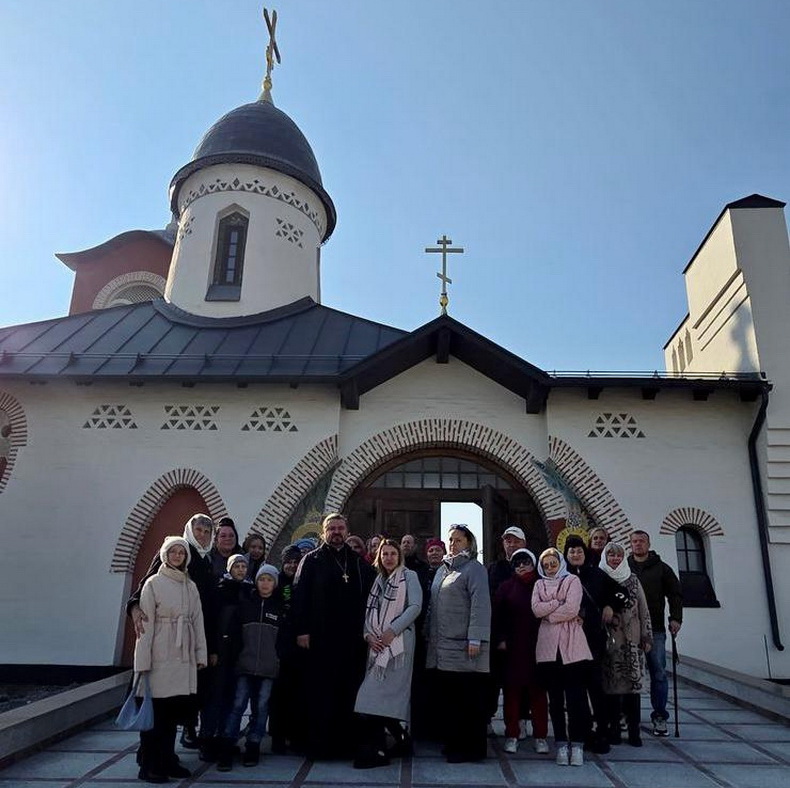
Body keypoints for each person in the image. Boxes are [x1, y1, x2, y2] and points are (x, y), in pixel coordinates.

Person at [127, 513, 218, 754]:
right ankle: (149, 760)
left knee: (178, 704)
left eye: (206, 532)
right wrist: (134, 607)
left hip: (188, 645)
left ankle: (168, 757)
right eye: (198, 530)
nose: (202, 535)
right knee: (158, 705)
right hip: (163, 647)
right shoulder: (175, 554)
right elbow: (146, 588)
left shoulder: (205, 560)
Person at [291, 513, 376, 760]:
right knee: (320, 693)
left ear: (347, 531)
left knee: (347, 692)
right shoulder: (311, 560)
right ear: (323, 533)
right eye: (332, 528)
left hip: (350, 641)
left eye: (340, 528)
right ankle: (319, 747)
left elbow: (371, 598)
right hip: (319, 639)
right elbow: (300, 598)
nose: (336, 532)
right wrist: (302, 631)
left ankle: (345, 745)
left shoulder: (358, 562)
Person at [134, 536, 207, 783]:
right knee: (157, 715)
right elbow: (144, 626)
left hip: (183, 656)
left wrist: (200, 654)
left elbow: (197, 622)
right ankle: (149, 765)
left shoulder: (190, 585)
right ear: (165, 555)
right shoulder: (153, 583)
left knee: (174, 715)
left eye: (181, 553)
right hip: (159, 656)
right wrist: (142, 662)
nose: (177, 556)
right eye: (173, 552)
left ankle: (167, 760)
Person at [353, 539, 423, 768]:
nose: (389, 557)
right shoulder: (378, 581)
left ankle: (378, 751)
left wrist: (392, 631)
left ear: (399, 556)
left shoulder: (408, 577)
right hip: (377, 647)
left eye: (393, 553)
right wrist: (368, 636)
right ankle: (400, 741)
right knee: (376, 700)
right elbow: (368, 614)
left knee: (374, 699)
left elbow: (415, 606)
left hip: (399, 646)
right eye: (385, 554)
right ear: (379, 557)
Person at [425, 524, 491, 763]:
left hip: (465, 646)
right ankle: (454, 744)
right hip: (443, 648)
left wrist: (476, 637)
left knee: (469, 701)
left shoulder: (474, 569)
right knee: (451, 701)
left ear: (469, 544)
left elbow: (480, 604)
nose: (453, 544)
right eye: (450, 540)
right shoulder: (443, 570)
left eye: (458, 540)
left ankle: (471, 749)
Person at [217, 563, 283, 770]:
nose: (265, 583)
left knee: (261, 707)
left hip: (268, 668)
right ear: (256, 582)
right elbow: (235, 636)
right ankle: (228, 744)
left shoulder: (279, 608)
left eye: (269, 580)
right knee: (237, 705)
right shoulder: (246, 606)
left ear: (275, 584)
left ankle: (253, 744)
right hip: (244, 666)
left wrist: (278, 659)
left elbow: (283, 640)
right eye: (262, 579)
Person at [532, 547, 592, 767]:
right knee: (555, 701)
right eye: (546, 565)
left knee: (575, 699)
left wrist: (551, 613)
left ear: (560, 564)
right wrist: (558, 603)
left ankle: (577, 745)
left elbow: (572, 608)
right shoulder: (538, 584)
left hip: (572, 649)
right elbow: (536, 610)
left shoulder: (572, 581)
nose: (549, 568)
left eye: (553, 564)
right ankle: (560, 745)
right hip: (549, 650)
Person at [563, 535, 622, 754]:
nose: (575, 554)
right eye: (571, 552)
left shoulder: (597, 574)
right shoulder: (562, 576)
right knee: (575, 691)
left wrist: (609, 605)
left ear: (584, 553)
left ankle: (602, 731)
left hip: (594, 640)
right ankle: (580, 732)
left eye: (578, 551)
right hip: (569, 641)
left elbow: (620, 593)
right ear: (566, 555)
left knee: (596, 688)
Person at [492, 549, 549, 755]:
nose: (521, 567)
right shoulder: (506, 588)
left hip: (539, 646)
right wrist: (500, 639)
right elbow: (497, 616)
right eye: (517, 564)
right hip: (514, 648)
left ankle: (541, 736)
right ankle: (512, 734)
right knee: (512, 693)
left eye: (525, 562)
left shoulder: (542, 585)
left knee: (538, 694)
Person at [628, 530, 683, 737]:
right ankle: (627, 714)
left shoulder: (661, 568)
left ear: (648, 544)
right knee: (628, 672)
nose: (638, 544)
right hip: (630, 629)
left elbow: (675, 593)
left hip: (656, 628)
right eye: (634, 541)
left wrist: (676, 617)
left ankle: (659, 715)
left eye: (642, 541)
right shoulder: (625, 567)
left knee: (658, 672)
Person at [600, 543, 652, 747]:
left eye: (618, 555)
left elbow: (643, 609)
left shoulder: (632, 580)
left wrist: (647, 637)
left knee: (632, 689)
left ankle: (634, 730)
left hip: (631, 640)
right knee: (612, 688)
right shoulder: (600, 577)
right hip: (609, 641)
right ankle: (613, 728)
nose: (614, 558)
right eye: (610, 554)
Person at [486, 526, 528, 736]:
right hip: (499, 633)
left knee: (523, 679)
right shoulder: (495, 568)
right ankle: (488, 717)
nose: (511, 544)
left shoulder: (532, 567)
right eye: (508, 541)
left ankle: (522, 718)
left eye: (516, 541)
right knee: (493, 678)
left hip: (524, 635)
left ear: (524, 543)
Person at [268, 544, 303, 754]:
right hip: (279, 644)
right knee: (278, 693)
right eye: (289, 561)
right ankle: (278, 736)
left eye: (295, 561)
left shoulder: (302, 581)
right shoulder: (277, 583)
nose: (292, 565)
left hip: (299, 647)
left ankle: (295, 734)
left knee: (296, 693)